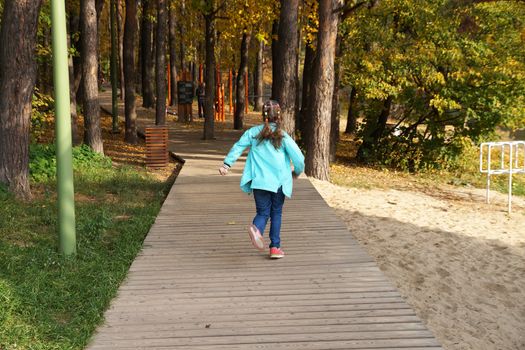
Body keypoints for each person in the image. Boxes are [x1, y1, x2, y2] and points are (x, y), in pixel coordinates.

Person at [218, 100, 305, 259]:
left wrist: (226, 164)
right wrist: (297, 172)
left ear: (262, 115)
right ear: (279, 116)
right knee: (276, 212)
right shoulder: (282, 135)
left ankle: (256, 229)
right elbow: (298, 158)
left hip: (259, 181)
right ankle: (275, 247)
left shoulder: (253, 133)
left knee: (263, 212)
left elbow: (238, 146)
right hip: (279, 182)